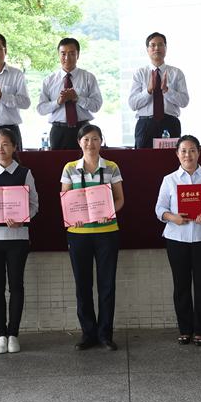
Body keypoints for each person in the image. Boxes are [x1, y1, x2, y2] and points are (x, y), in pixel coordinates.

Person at [155, 135, 201, 346]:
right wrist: (173, 218)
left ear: (199, 153)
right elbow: (159, 208)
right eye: (184, 151)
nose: (188, 155)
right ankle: (185, 329)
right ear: (177, 154)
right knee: (181, 285)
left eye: (192, 150)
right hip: (176, 238)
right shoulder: (169, 179)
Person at [60, 124, 125, 350]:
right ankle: (88, 334)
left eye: (95, 139)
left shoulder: (112, 167)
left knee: (107, 285)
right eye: (86, 139)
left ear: (101, 141)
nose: (91, 143)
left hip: (107, 233)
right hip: (78, 234)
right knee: (83, 285)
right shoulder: (69, 168)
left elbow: (120, 199)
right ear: (79, 142)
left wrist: (109, 211)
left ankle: (105, 334)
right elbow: (66, 200)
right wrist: (73, 216)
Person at [0, 128, 39, 354]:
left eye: (4, 144)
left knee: (16, 286)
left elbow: (34, 204)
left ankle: (13, 334)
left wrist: (22, 219)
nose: (0, 148)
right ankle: (0, 335)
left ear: (14, 147)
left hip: (17, 238)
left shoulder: (24, 173)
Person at [38, 38, 103, 150]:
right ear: (58, 55)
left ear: (78, 55)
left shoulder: (88, 77)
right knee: (58, 161)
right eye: (63, 54)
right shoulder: (49, 80)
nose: (67, 58)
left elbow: (96, 106)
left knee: (84, 161)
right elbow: (41, 109)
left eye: (72, 53)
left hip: (83, 130)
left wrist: (77, 99)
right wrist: (58, 102)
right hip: (58, 131)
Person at [128, 32, 190, 148]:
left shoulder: (176, 73)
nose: (157, 48)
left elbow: (184, 101)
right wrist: (148, 91)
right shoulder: (140, 73)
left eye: (160, 45)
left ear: (166, 48)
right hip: (145, 125)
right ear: (147, 50)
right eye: (153, 45)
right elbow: (132, 104)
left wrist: (167, 90)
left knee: (170, 158)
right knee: (143, 158)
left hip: (170, 124)